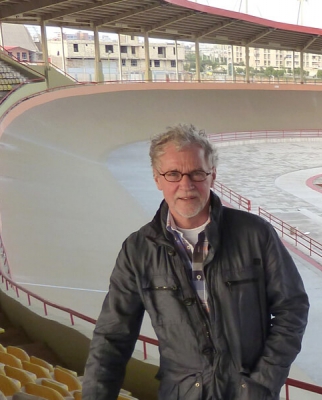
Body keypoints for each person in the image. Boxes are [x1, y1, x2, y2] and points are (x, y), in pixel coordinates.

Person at [82, 124, 309, 400]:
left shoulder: (256, 234)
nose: (186, 185)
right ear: (157, 179)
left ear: (212, 176)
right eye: (173, 174)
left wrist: (262, 382)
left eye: (197, 173)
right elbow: (111, 338)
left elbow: (292, 308)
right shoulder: (137, 251)